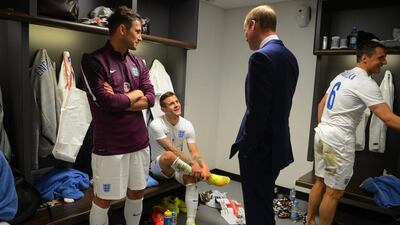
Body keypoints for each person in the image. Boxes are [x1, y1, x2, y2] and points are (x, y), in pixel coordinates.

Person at [305, 40, 400, 225]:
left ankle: (309, 221)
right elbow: (388, 118)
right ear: (365, 58)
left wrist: (327, 129)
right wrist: (334, 135)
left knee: (320, 182)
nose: (385, 61)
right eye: (381, 57)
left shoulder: (342, 76)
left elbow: (321, 105)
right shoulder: (366, 83)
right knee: (334, 193)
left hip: (322, 135)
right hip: (338, 142)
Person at [81, 6, 155, 225]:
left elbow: (150, 98)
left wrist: (124, 98)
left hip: (139, 143)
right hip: (110, 147)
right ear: (122, 29)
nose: (141, 37)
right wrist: (135, 94)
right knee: (103, 199)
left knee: (137, 192)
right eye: (138, 31)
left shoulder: (139, 63)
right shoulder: (93, 61)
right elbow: (106, 101)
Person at [229, 5, 299, 225]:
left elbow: (257, 113)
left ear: (253, 24)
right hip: (277, 146)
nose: (245, 38)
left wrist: (247, 148)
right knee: (263, 205)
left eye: (245, 31)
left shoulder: (261, 57)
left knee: (257, 210)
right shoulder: (290, 57)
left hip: (259, 150)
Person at [149, 91, 230, 225]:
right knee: (170, 155)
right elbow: (172, 149)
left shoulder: (187, 124)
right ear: (163, 110)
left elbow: (195, 152)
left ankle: (190, 220)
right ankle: (209, 179)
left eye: (176, 102)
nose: (176, 105)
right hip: (160, 167)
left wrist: (204, 167)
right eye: (171, 104)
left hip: (178, 166)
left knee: (191, 178)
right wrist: (195, 166)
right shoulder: (156, 125)